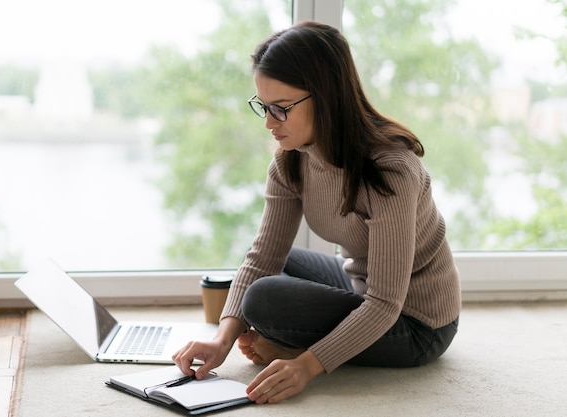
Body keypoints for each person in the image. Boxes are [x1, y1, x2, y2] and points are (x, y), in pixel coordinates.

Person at [172, 20, 460, 405]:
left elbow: (386, 303)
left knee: (265, 299)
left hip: (417, 322)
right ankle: (302, 346)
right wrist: (221, 340)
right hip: (362, 285)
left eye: (281, 109)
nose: (270, 123)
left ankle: (296, 350)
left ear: (325, 97)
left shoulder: (390, 170)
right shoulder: (291, 162)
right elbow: (263, 257)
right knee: (273, 265)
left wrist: (305, 366)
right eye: (263, 107)